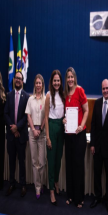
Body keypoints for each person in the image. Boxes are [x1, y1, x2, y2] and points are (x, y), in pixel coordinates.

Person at [90, 79, 108, 215]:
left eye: (107, 88)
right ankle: (97, 197)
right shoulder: (97, 103)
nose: (105, 91)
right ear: (101, 90)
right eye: (103, 89)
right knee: (97, 174)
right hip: (97, 149)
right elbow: (93, 126)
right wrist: (92, 144)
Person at [63, 67, 88, 208]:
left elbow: (86, 110)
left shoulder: (80, 90)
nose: (70, 79)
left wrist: (82, 125)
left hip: (79, 134)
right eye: (68, 77)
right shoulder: (65, 94)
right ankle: (71, 195)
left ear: (75, 78)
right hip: (68, 136)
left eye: (72, 77)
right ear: (66, 79)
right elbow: (64, 115)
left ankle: (80, 197)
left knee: (78, 166)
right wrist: (64, 121)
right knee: (70, 165)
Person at [4, 71, 29, 197]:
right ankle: (12, 183)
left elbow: (26, 116)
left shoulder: (27, 96)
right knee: (12, 161)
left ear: (22, 80)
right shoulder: (8, 95)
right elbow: (6, 114)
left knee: (22, 162)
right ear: (14, 80)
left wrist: (17, 127)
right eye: (16, 78)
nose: (18, 80)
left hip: (21, 136)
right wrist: (12, 128)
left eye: (20, 78)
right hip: (11, 135)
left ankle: (23, 185)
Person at [45, 70, 65, 205]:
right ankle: (51, 189)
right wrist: (47, 137)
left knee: (58, 159)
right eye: (54, 80)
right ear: (51, 82)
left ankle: (56, 181)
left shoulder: (63, 95)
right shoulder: (48, 96)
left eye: (58, 80)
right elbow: (45, 118)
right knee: (51, 161)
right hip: (51, 127)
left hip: (61, 129)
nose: (57, 83)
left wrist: (64, 119)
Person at [25, 74, 46, 199]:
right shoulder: (30, 99)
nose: (38, 85)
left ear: (42, 85)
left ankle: (42, 184)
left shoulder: (45, 99)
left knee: (42, 162)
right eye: (36, 83)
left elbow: (46, 116)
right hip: (32, 133)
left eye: (40, 83)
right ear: (34, 84)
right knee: (34, 162)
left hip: (42, 132)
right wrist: (33, 129)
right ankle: (37, 187)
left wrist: (41, 129)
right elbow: (28, 115)